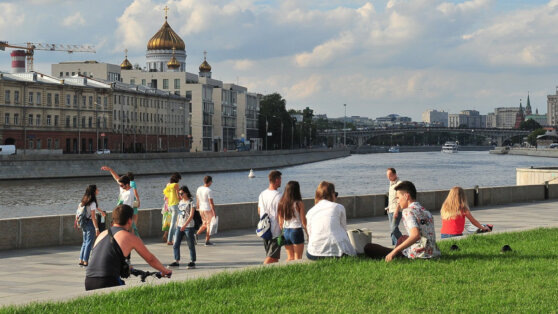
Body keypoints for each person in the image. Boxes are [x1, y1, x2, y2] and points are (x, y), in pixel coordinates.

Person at [85, 204, 172, 290]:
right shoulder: (130, 237)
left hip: (89, 280)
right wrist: (164, 271)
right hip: (107, 281)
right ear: (130, 221)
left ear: (114, 220)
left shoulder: (102, 234)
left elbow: (105, 256)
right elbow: (150, 259)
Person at [364, 181, 440, 262]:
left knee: (369, 247)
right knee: (402, 238)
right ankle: (397, 250)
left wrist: (394, 252)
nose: (398, 201)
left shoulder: (408, 211)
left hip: (418, 255)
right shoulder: (426, 212)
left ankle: (395, 253)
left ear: (406, 196)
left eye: (398, 198)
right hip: (433, 253)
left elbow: (415, 235)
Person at [306, 181, 356, 260]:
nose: (336, 197)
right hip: (337, 252)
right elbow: (343, 229)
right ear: (332, 194)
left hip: (314, 253)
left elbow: (310, 233)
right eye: (335, 194)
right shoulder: (339, 207)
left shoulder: (310, 212)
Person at [101, 167, 140, 237]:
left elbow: (125, 208)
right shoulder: (124, 187)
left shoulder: (129, 194)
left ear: (127, 184)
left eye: (121, 185)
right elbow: (117, 178)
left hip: (124, 215)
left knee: (125, 233)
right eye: (120, 185)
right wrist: (110, 170)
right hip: (120, 213)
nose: (120, 187)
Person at [277, 181, 307, 261]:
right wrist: (308, 234)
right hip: (296, 230)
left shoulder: (281, 203)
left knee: (290, 257)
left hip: (286, 231)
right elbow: (303, 221)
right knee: (298, 258)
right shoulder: (298, 203)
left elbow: (280, 222)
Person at [257, 170, 283, 264]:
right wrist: (282, 229)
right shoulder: (279, 196)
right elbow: (280, 214)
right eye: (280, 179)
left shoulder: (262, 194)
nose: (281, 181)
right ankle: (261, 272)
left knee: (274, 258)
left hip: (264, 230)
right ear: (276, 180)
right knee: (271, 257)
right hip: (275, 231)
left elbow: (259, 211)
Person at [169, 186, 197, 269]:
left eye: (181, 193)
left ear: (186, 193)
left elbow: (191, 215)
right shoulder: (180, 202)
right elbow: (179, 214)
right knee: (175, 244)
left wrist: (185, 225)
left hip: (189, 226)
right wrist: (177, 224)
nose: (180, 195)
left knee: (190, 244)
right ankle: (176, 261)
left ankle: (192, 261)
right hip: (179, 226)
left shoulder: (191, 202)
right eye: (179, 193)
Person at [77, 185, 102, 267]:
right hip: (90, 223)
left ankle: (81, 259)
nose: (98, 190)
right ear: (94, 191)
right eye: (97, 189)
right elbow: (93, 217)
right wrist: (97, 228)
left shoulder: (83, 201)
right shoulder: (93, 202)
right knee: (89, 242)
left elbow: (78, 213)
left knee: (84, 242)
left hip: (83, 223)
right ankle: (86, 261)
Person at [196, 176, 216, 246]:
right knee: (209, 225)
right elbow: (211, 203)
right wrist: (214, 212)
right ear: (209, 182)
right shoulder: (209, 190)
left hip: (201, 209)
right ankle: (207, 241)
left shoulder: (199, 188)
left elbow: (197, 199)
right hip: (207, 209)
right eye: (211, 182)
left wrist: (197, 207)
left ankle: (196, 235)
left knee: (204, 224)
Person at [163, 172, 181, 245]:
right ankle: (169, 240)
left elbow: (166, 194)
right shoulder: (176, 185)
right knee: (173, 224)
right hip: (175, 205)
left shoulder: (168, 184)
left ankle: (174, 239)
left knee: (174, 223)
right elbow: (177, 196)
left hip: (169, 205)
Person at [386, 168, 402, 245]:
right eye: (387, 176)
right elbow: (391, 198)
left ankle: (403, 242)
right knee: (392, 230)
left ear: (395, 174)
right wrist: (388, 207)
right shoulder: (391, 184)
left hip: (397, 210)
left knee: (393, 228)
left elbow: (400, 198)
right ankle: (395, 245)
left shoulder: (399, 184)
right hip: (390, 210)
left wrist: (396, 210)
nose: (388, 177)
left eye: (390, 175)